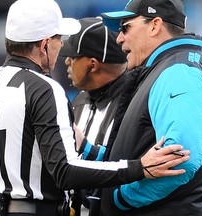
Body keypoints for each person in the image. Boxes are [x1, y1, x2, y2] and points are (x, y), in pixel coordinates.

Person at [0, 0, 190, 215]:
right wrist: (139, 168)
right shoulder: (43, 88)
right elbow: (65, 170)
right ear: (44, 44)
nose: (62, 50)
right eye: (59, 39)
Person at [85, 0, 202, 215]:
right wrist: (86, 149)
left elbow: (181, 160)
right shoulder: (166, 68)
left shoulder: (179, 71)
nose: (120, 38)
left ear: (155, 25)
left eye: (126, 27)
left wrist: (119, 198)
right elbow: (139, 145)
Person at [59, 17, 128, 216]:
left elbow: (133, 166)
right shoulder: (80, 100)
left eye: (73, 56)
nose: (66, 61)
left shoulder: (134, 101)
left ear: (93, 64)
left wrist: (85, 147)